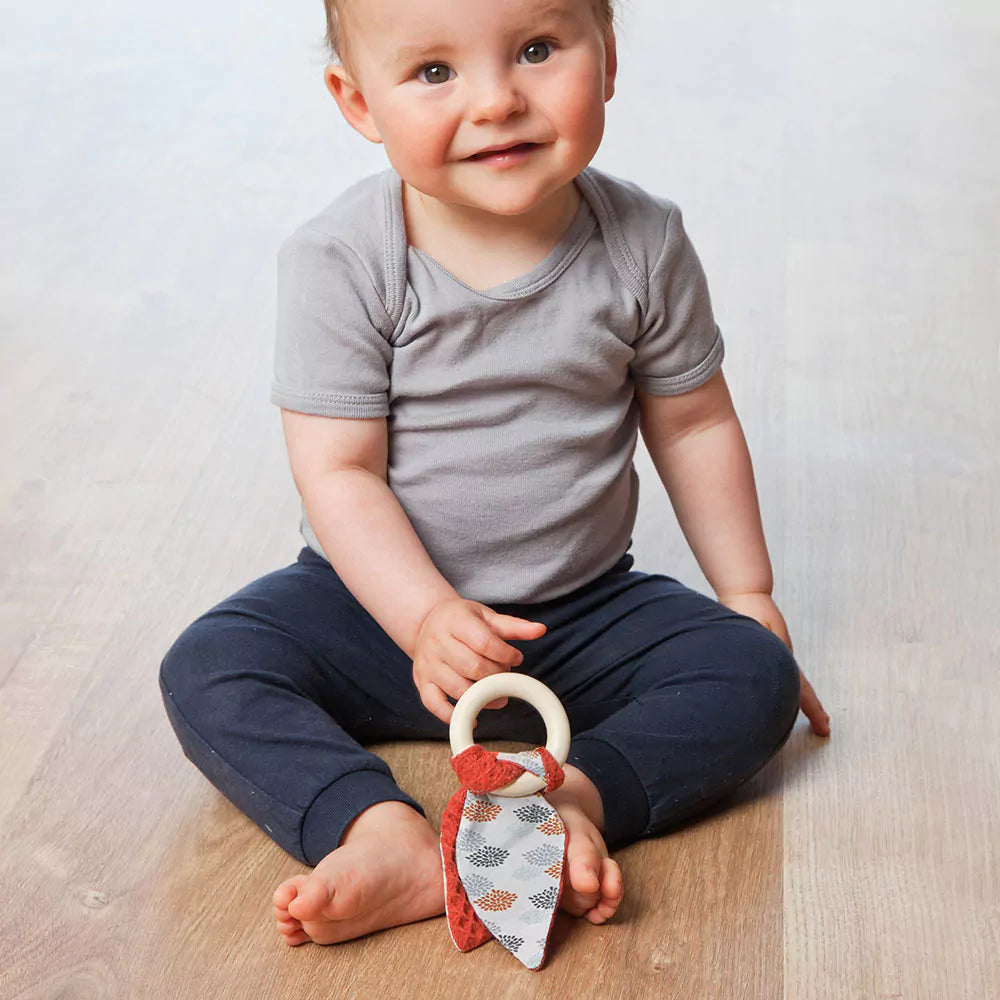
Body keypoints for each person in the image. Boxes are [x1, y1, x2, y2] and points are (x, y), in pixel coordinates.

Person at [159, 0, 831, 950]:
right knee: (211, 665)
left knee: (753, 673)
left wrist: (747, 591)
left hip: (585, 611)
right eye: (434, 72)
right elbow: (340, 475)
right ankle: (377, 830)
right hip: (378, 616)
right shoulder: (343, 260)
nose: (497, 101)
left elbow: (694, 422)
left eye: (536, 50)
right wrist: (425, 617)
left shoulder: (642, 242)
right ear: (359, 103)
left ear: (605, 59)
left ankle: (563, 804)